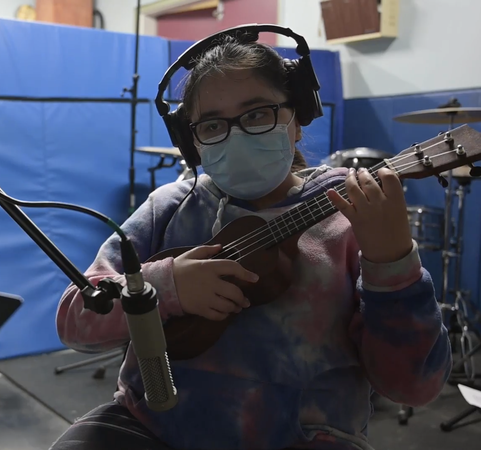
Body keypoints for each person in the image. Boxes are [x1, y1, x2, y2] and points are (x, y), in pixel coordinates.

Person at [50, 33, 452, 450]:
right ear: (192, 143)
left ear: (297, 120)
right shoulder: (167, 209)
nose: (236, 136)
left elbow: (414, 386)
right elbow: (75, 322)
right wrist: (167, 286)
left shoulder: (349, 217)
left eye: (258, 114)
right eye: (212, 125)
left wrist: (392, 263)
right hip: (152, 429)